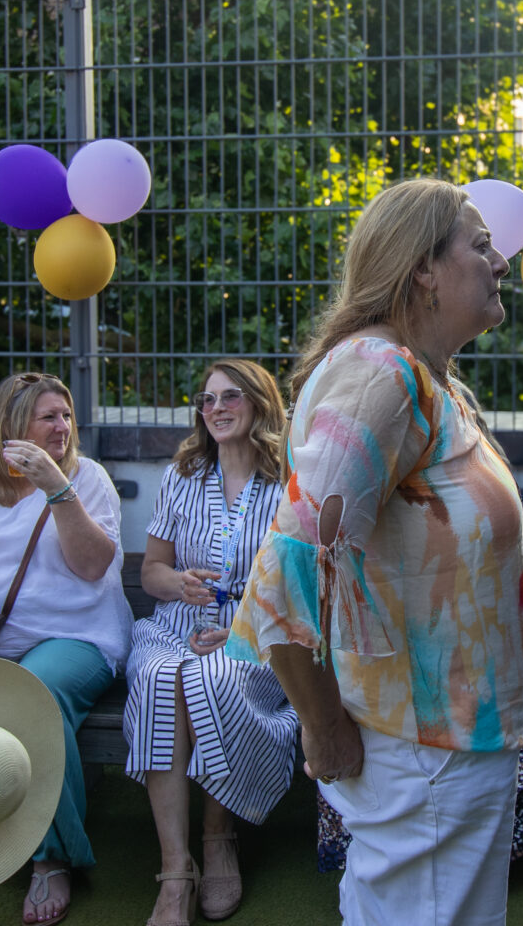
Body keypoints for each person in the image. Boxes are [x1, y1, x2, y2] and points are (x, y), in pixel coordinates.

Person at [226, 178, 523, 926]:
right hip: (422, 755)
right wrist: (322, 725)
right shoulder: (381, 375)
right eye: (481, 246)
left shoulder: (420, 378)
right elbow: (288, 569)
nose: (502, 262)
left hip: (442, 741)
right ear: (422, 268)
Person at [0, 371, 132, 926]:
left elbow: (93, 567)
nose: (63, 426)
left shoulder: (87, 479)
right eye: (48, 417)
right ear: (12, 427)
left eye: (67, 415)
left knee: (32, 692)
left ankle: (51, 857)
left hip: (76, 638)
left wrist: (56, 488)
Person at [125, 359, 298, 926]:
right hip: (176, 624)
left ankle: (218, 836)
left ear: (259, 403)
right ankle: (175, 870)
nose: (216, 408)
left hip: (258, 633)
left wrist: (245, 625)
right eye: (207, 399)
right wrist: (179, 583)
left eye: (230, 396)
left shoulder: (290, 480)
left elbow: (305, 582)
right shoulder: (182, 475)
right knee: (159, 677)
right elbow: (152, 571)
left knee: (211, 677)